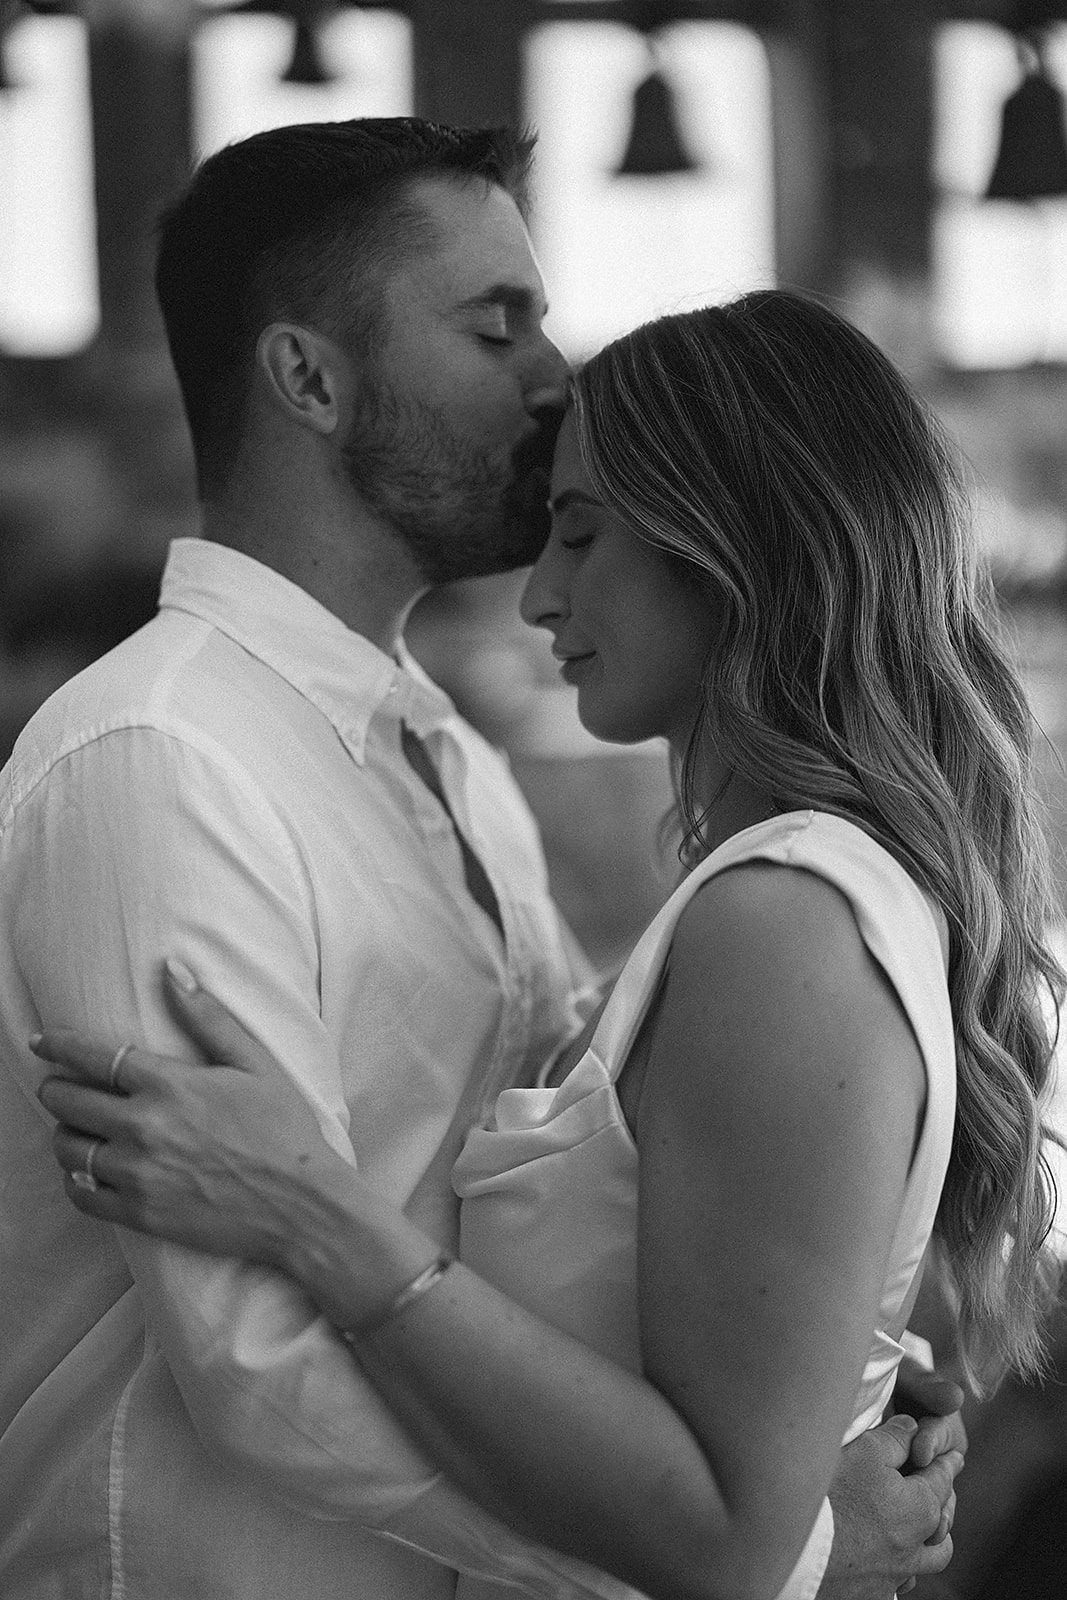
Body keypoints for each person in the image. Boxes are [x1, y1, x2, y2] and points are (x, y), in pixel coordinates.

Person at [1, 114, 958, 1599]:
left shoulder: (446, 757)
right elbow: (256, 1362)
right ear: (308, 377)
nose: (554, 375)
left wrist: (832, 1360)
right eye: (493, 323)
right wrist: (770, 1551)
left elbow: (635, 1182)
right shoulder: (161, 758)